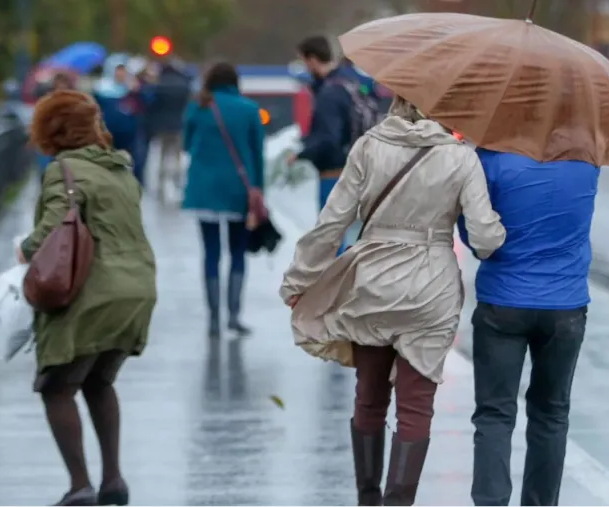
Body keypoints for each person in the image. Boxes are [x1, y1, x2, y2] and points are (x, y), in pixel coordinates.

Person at [280, 97, 506, 506]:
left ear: (400, 100)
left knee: (369, 396)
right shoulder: (460, 158)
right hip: (430, 289)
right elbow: (485, 239)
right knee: (415, 408)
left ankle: (367, 499)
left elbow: (333, 221)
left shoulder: (369, 145)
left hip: (374, 282)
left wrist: (300, 278)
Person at [20, 90, 157, 506]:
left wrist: (24, 250)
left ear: (52, 130)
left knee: (56, 386)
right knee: (99, 380)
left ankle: (80, 487)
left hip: (93, 292)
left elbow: (47, 237)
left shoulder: (64, 170)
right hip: (137, 289)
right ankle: (113, 480)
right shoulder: (120, 169)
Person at [458, 148, 599, 506]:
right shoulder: (587, 161)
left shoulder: (491, 159)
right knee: (551, 413)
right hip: (565, 306)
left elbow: (474, 230)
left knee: (494, 413)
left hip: (503, 301)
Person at [182, 62, 265, 340]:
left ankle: (213, 319)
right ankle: (234, 315)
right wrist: (258, 190)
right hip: (238, 191)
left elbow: (186, 144)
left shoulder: (198, 107)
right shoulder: (249, 109)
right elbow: (257, 155)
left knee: (211, 253)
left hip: (203, 190)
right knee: (238, 252)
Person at [288, 36, 376, 253]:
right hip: (357, 168)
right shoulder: (349, 83)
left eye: (304, 61)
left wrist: (302, 153)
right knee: (350, 236)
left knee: (331, 239)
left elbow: (328, 139)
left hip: (334, 174)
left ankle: (338, 284)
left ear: (313, 59)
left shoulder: (329, 93)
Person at [147, 59, 192, 200]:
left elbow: (151, 104)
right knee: (177, 155)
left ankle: (161, 182)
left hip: (162, 126)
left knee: (162, 154)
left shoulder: (159, 86)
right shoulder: (184, 85)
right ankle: (177, 178)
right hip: (179, 125)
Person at [36, 72, 77, 178]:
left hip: (67, 144)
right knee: (46, 170)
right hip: (49, 143)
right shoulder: (47, 101)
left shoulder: (75, 103)